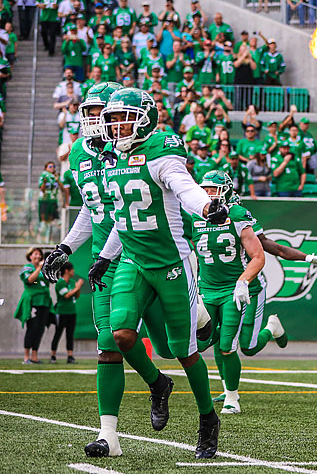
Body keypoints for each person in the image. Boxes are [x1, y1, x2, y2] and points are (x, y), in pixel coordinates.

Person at [41, 82, 187, 458]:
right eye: (88, 112)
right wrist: (66, 247)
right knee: (109, 345)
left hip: (144, 255)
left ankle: (174, 357)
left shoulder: (135, 149)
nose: (93, 119)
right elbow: (92, 208)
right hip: (107, 262)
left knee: (175, 346)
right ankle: (110, 435)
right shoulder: (78, 153)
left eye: (100, 112)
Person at [90, 87, 228, 458]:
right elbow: (124, 216)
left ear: (146, 118)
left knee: (184, 351)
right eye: (113, 119)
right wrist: (106, 256)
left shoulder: (162, 153)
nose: (118, 127)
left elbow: (185, 188)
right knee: (119, 334)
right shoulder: (111, 160)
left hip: (171, 263)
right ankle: (158, 384)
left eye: (125, 119)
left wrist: (207, 207)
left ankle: (207, 418)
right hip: (133, 261)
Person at [194, 170, 286, 415]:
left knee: (229, 344)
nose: (208, 193)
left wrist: (243, 281)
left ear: (225, 190)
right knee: (201, 342)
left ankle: (232, 397)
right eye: (205, 188)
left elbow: (258, 255)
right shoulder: (193, 214)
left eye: (213, 188)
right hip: (206, 288)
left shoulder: (237, 215)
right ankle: (226, 386)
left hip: (232, 289)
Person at [14, 248, 51, 364]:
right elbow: (30, 280)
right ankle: (26, 357)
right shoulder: (28, 267)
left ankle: (34, 356)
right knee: (32, 329)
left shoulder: (42, 271)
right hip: (33, 302)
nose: (38, 256)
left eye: (39, 254)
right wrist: (39, 267)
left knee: (40, 329)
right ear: (30, 256)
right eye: (35, 254)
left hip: (44, 302)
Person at [50, 262, 83, 364]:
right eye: (72, 269)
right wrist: (77, 287)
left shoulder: (72, 282)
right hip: (61, 312)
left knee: (70, 335)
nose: (73, 271)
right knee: (58, 334)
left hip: (72, 312)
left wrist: (77, 289)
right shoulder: (60, 283)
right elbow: (66, 295)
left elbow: (76, 296)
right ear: (67, 271)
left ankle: (70, 356)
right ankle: (53, 356)